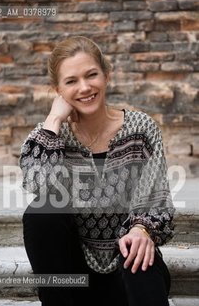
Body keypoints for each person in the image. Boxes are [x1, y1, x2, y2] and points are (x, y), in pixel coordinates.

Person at [20, 36, 175, 306]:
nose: (84, 87)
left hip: (130, 267)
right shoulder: (49, 135)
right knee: (41, 212)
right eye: (71, 81)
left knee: (136, 253)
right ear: (57, 89)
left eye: (92, 75)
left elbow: (157, 201)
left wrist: (141, 230)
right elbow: (37, 184)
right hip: (75, 279)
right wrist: (54, 120)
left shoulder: (141, 129)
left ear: (106, 76)